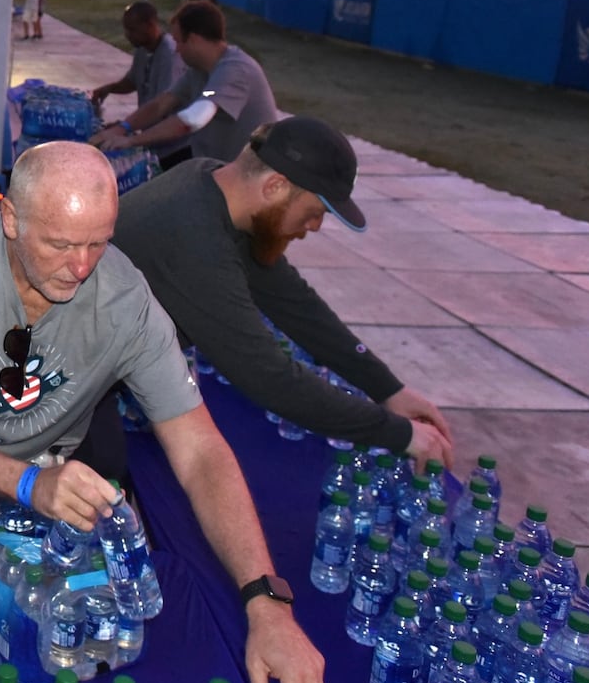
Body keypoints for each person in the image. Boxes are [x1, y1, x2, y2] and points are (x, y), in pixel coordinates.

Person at [0, 140, 327, 683]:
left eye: (98, 243)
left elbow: (200, 449)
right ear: (10, 218)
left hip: (43, 498)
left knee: (45, 673)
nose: (81, 268)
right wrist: (28, 481)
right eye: (59, 244)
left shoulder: (125, 299)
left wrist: (266, 600)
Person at [113, 117, 454, 465]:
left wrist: (388, 389)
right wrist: (402, 434)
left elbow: (296, 304)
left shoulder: (212, 183)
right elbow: (270, 378)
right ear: (275, 186)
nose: (316, 227)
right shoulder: (194, 237)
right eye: (315, 212)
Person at [91, 0, 276, 164]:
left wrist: (131, 140)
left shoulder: (235, 70)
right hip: (215, 169)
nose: (176, 50)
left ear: (194, 40)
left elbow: (195, 117)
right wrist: (122, 129)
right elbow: (161, 104)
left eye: (178, 42)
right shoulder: (199, 70)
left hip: (247, 180)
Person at [87, 2, 191, 168]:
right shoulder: (143, 50)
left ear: (150, 25)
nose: (128, 35)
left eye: (132, 29)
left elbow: (161, 107)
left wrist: (124, 127)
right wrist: (109, 89)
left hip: (173, 148)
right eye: (126, 29)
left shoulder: (170, 56)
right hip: (153, 143)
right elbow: (133, 81)